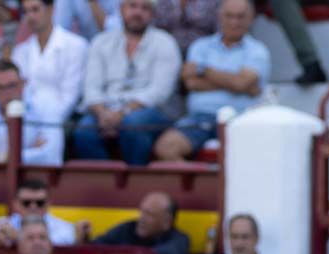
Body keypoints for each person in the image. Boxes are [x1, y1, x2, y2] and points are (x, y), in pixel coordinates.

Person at [152, 0, 270, 162]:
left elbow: (240, 83)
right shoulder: (200, 46)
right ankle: (205, 186)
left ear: (251, 19)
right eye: (229, 16)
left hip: (241, 119)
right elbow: (191, 83)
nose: (234, 22)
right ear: (219, 17)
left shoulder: (258, 50)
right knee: (166, 147)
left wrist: (202, 70)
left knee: (252, 157)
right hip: (200, 118)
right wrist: (237, 84)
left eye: (240, 17)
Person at [72, 0, 181, 165]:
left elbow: (159, 92)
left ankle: (135, 181)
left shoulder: (165, 43)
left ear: (152, 13)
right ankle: (105, 183)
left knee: (133, 124)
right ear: (121, 9)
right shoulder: (101, 42)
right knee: (84, 130)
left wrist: (121, 113)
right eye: (132, 6)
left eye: (144, 8)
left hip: (150, 112)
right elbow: (91, 88)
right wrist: (103, 114)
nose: (137, 12)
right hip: (106, 110)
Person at [0, 60, 64, 166]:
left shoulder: (46, 109)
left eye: (12, 85)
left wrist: (4, 157)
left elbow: (52, 156)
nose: (7, 92)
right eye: (0, 88)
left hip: (39, 179)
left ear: (22, 84)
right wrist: (32, 151)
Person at [12, 0, 89, 123]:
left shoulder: (76, 45)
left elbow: (70, 97)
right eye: (25, 11)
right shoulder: (20, 51)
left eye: (35, 9)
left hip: (63, 120)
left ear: (51, 9)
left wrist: (46, 126)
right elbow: (19, 93)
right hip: (27, 120)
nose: (30, 16)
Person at [90, 191, 190, 254]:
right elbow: (95, 246)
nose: (142, 218)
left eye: (149, 214)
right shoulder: (127, 228)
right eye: (142, 212)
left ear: (166, 222)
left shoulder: (178, 239)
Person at [0, 177, 78, 245]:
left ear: (48, 203)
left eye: (39, 203)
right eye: (26, 203)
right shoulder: (7, 223)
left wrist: (18, 237)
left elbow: (61, 242)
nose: (33, 207)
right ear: (15, 204)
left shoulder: (63, 227)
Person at [152, 0, 218, 54]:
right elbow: (157, 24)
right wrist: (180, 7)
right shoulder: (165, 2)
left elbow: (216, 28)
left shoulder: (211, 2)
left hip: (202, 51)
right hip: (168, 47)